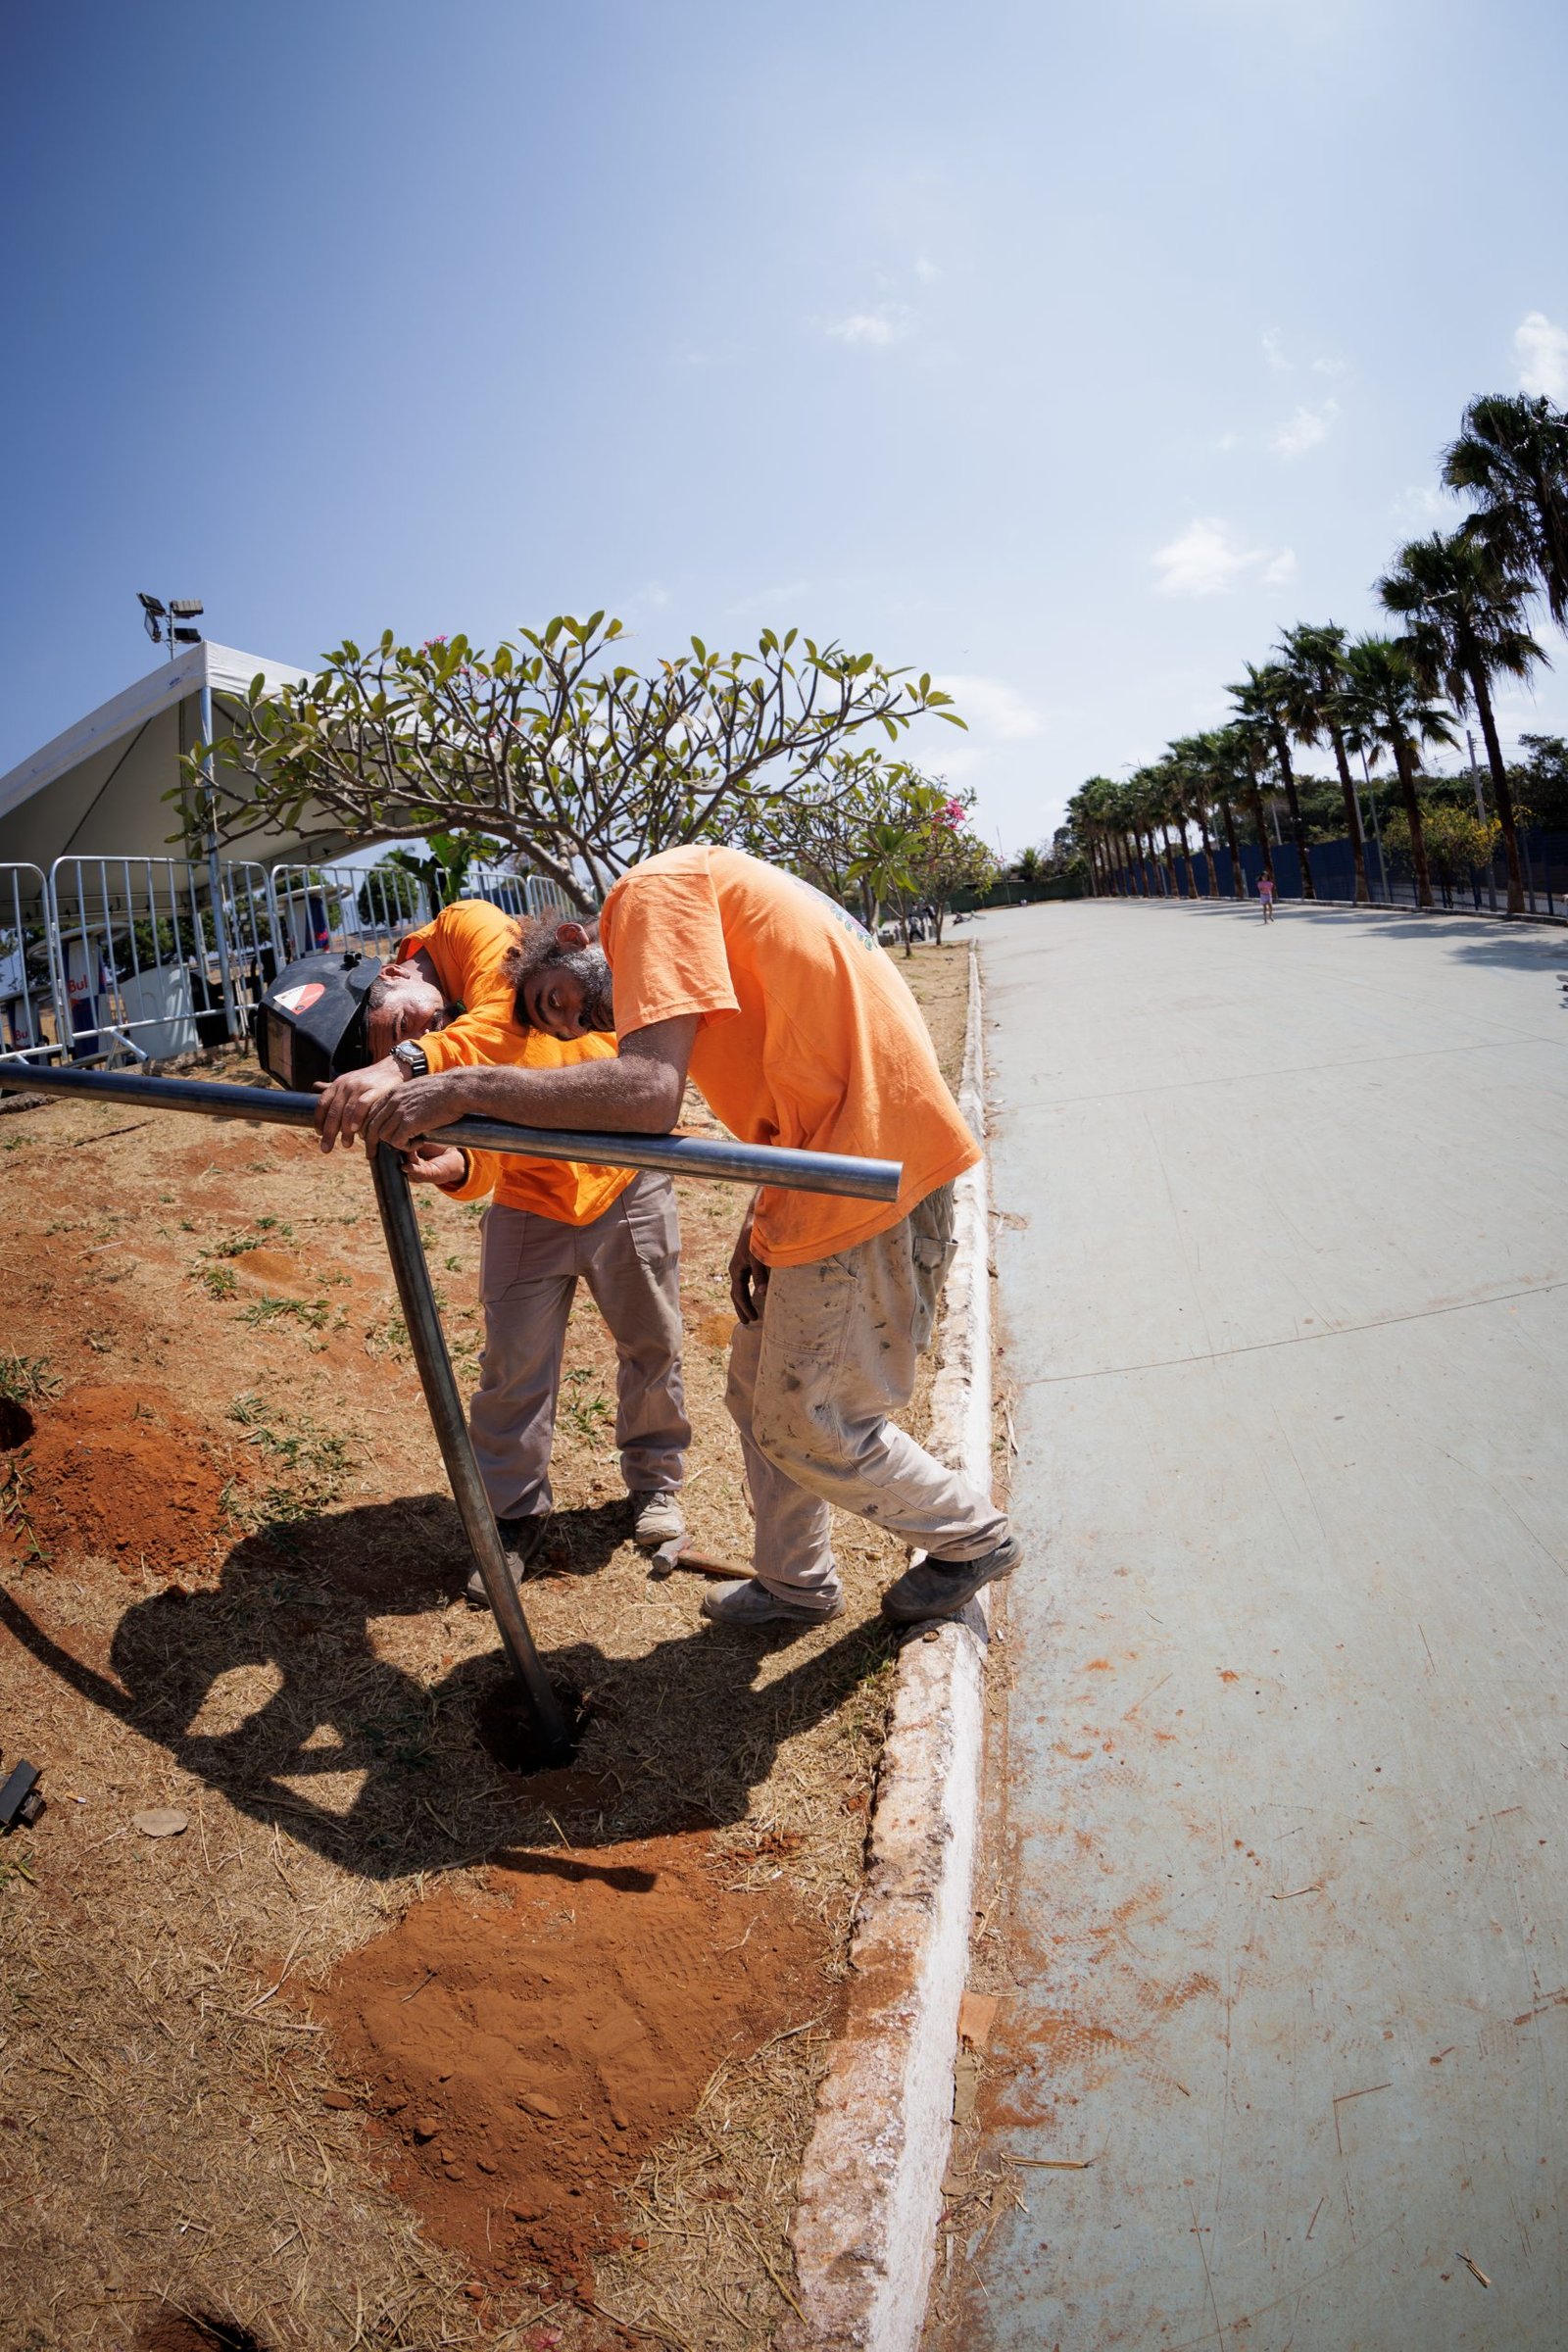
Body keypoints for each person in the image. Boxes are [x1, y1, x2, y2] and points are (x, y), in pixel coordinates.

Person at [318, 850, 1015, 1630]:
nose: (580, 1023)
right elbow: (799, 1068)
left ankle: (970, 1537)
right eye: (569, 1024)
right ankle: (796, 1585)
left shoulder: (651, 895)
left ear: (576, 938)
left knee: (812, 1423)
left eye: (562, 1001)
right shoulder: (693, 915)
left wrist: (449, 1080)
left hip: (872, 1169)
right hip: (824, 1163)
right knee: (756, 1391)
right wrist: (764, 1212)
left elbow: (649, 1096)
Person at [326, 900, 688, 1593]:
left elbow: (492, 1036)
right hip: (530, 1201)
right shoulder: (472, 1001)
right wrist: (458, 1160)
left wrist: (411, 1062)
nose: (573, 1019)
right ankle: (513, 1514)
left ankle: (656, 1484)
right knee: (513, 1365)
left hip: (624, 1185)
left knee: (652, 1344)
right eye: (399, 1039)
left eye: (400, 1025)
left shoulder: (490, 941)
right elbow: (479, 1080)